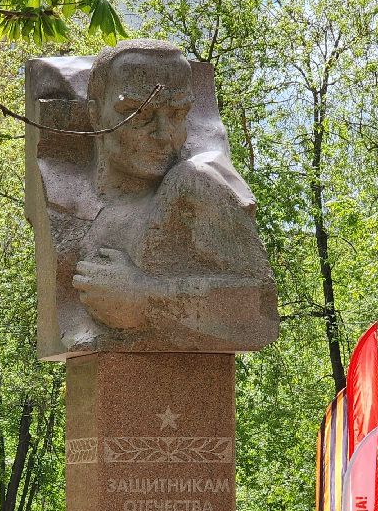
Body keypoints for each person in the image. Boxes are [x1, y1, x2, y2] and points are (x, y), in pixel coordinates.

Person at [27, 38, 278, 358]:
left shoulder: (194, 184)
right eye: (138, 113)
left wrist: (147, 296)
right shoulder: (76, 204)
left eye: (176, 114)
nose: (162, 134)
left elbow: (261, 310)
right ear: (95, 114)